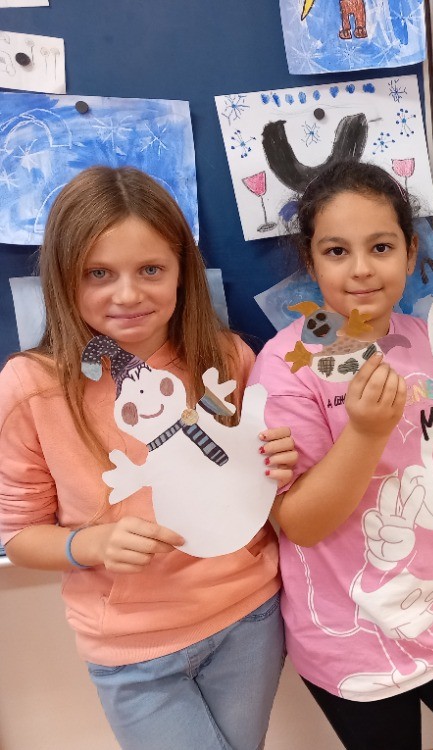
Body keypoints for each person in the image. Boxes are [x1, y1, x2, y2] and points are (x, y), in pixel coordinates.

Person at [249, 161, 433, 750]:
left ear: (411, 254)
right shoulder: (287, 367)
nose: (362, 268)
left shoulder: (430, 340)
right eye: (337, 251)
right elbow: (299, 522)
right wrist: (365, 434)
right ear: (310, 262)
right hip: (350, 639)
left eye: (381, 247)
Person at [0, 166, 297, 750]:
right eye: (99, 273)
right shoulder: (30, 388)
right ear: (62, 276)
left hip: (249, 616)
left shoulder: (225, 357)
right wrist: (89, 544)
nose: (128, 294)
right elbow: (17, 535)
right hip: (131, 649)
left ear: (183, 270)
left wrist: (279, 464)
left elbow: (254, 477)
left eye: (151, 270)